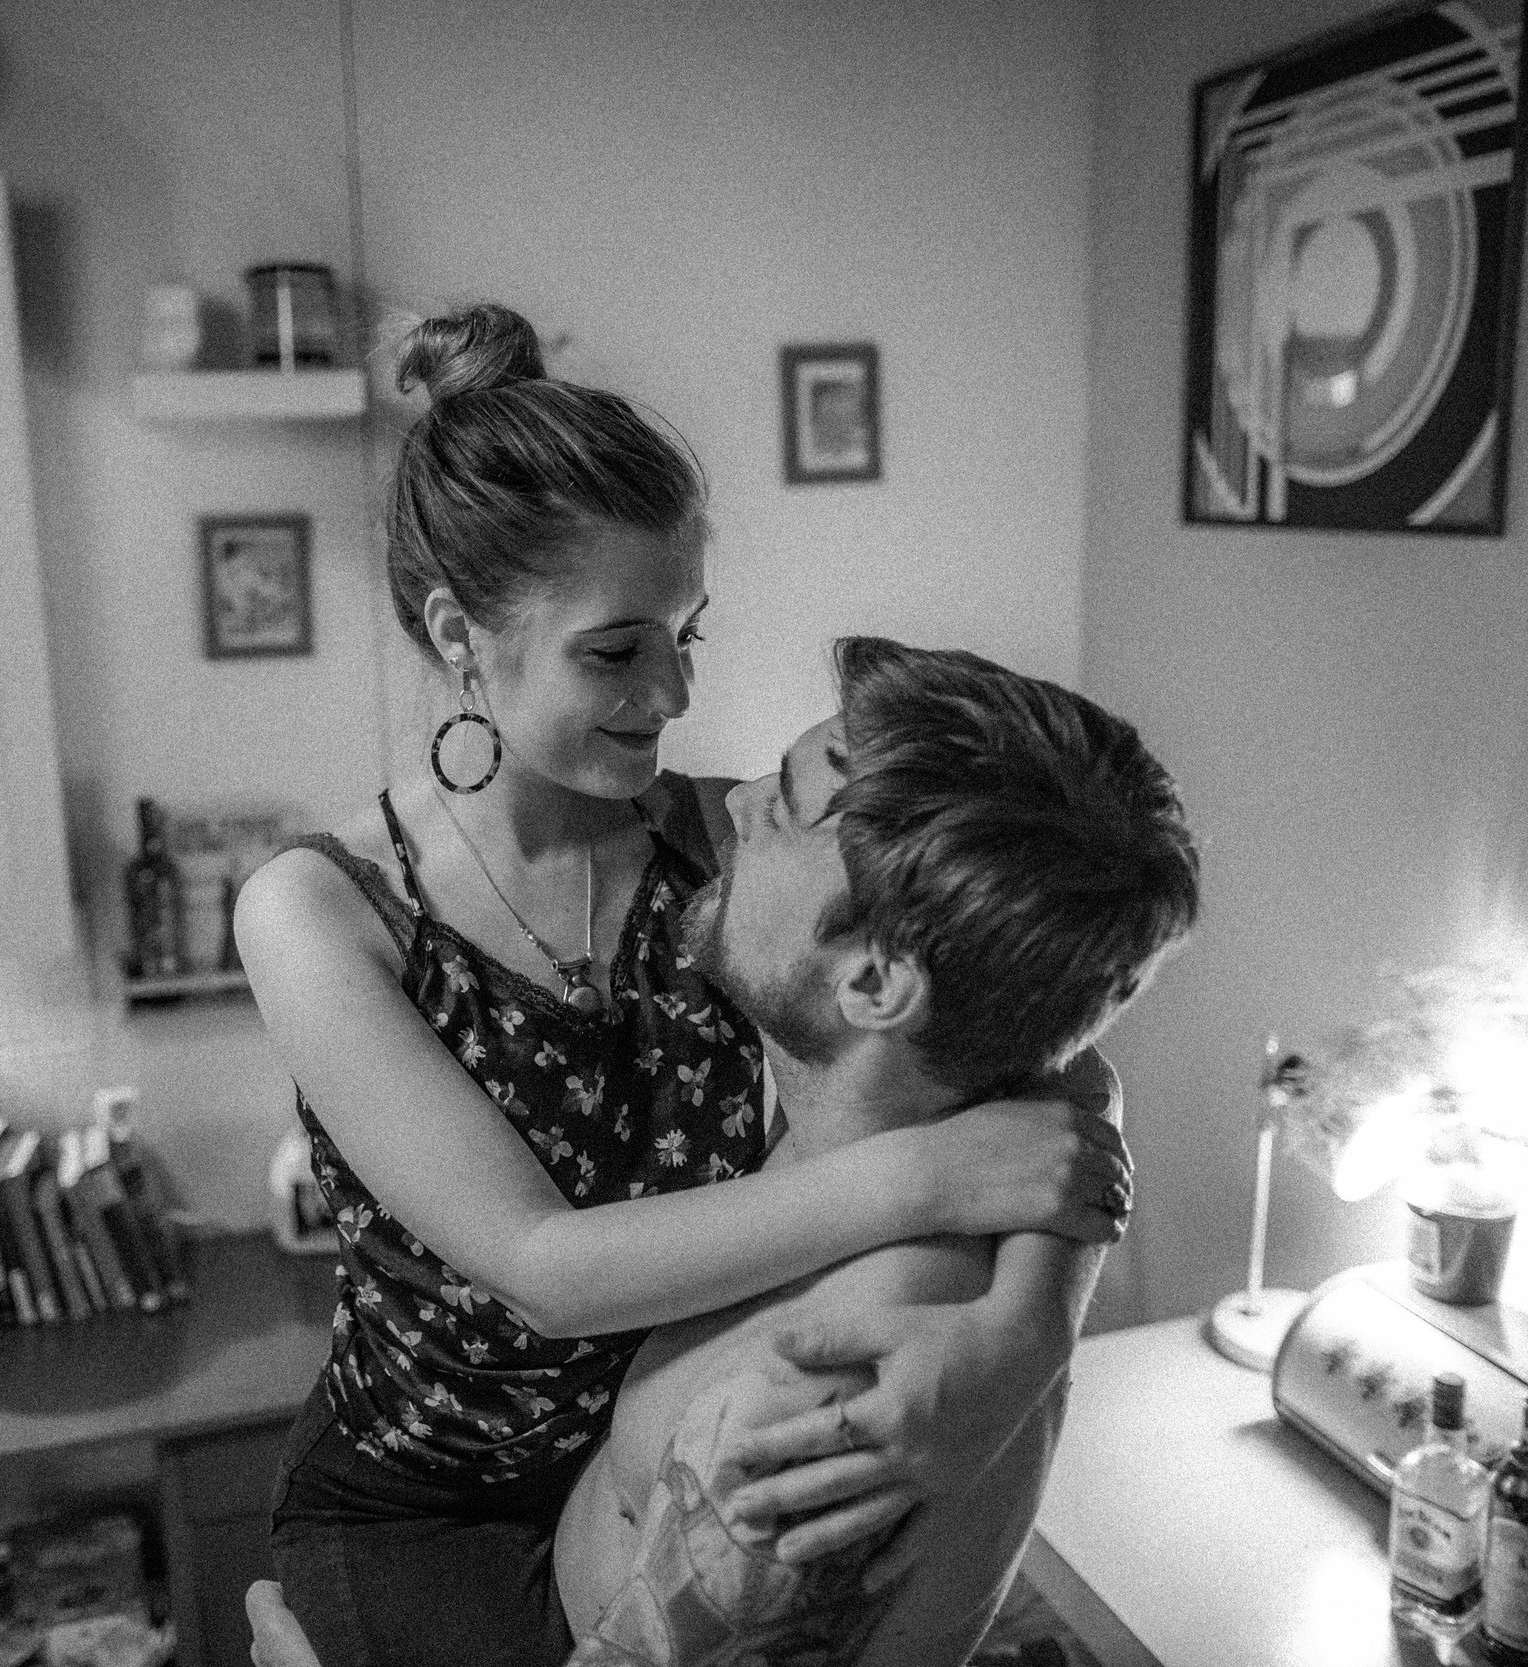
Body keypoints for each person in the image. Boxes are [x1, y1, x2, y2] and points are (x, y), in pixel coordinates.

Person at [233, 306, 1133, 1667]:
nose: (671, 692)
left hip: (632, 1457)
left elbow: (1044, 1033)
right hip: (422, 1510)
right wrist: (925, 1178)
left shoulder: (726, 841)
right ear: (462, 635)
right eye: (615, 650)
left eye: (687, 634)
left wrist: (1017, 1341)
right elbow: (542, 1269)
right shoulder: (323, 913)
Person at [554, 636, 1199, 1663]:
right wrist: (1031, 1320)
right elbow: (1084, 1072)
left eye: (786, 808)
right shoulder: (964, 1098)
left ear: (874, 982)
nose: (736, 804)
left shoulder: (837, 1391)